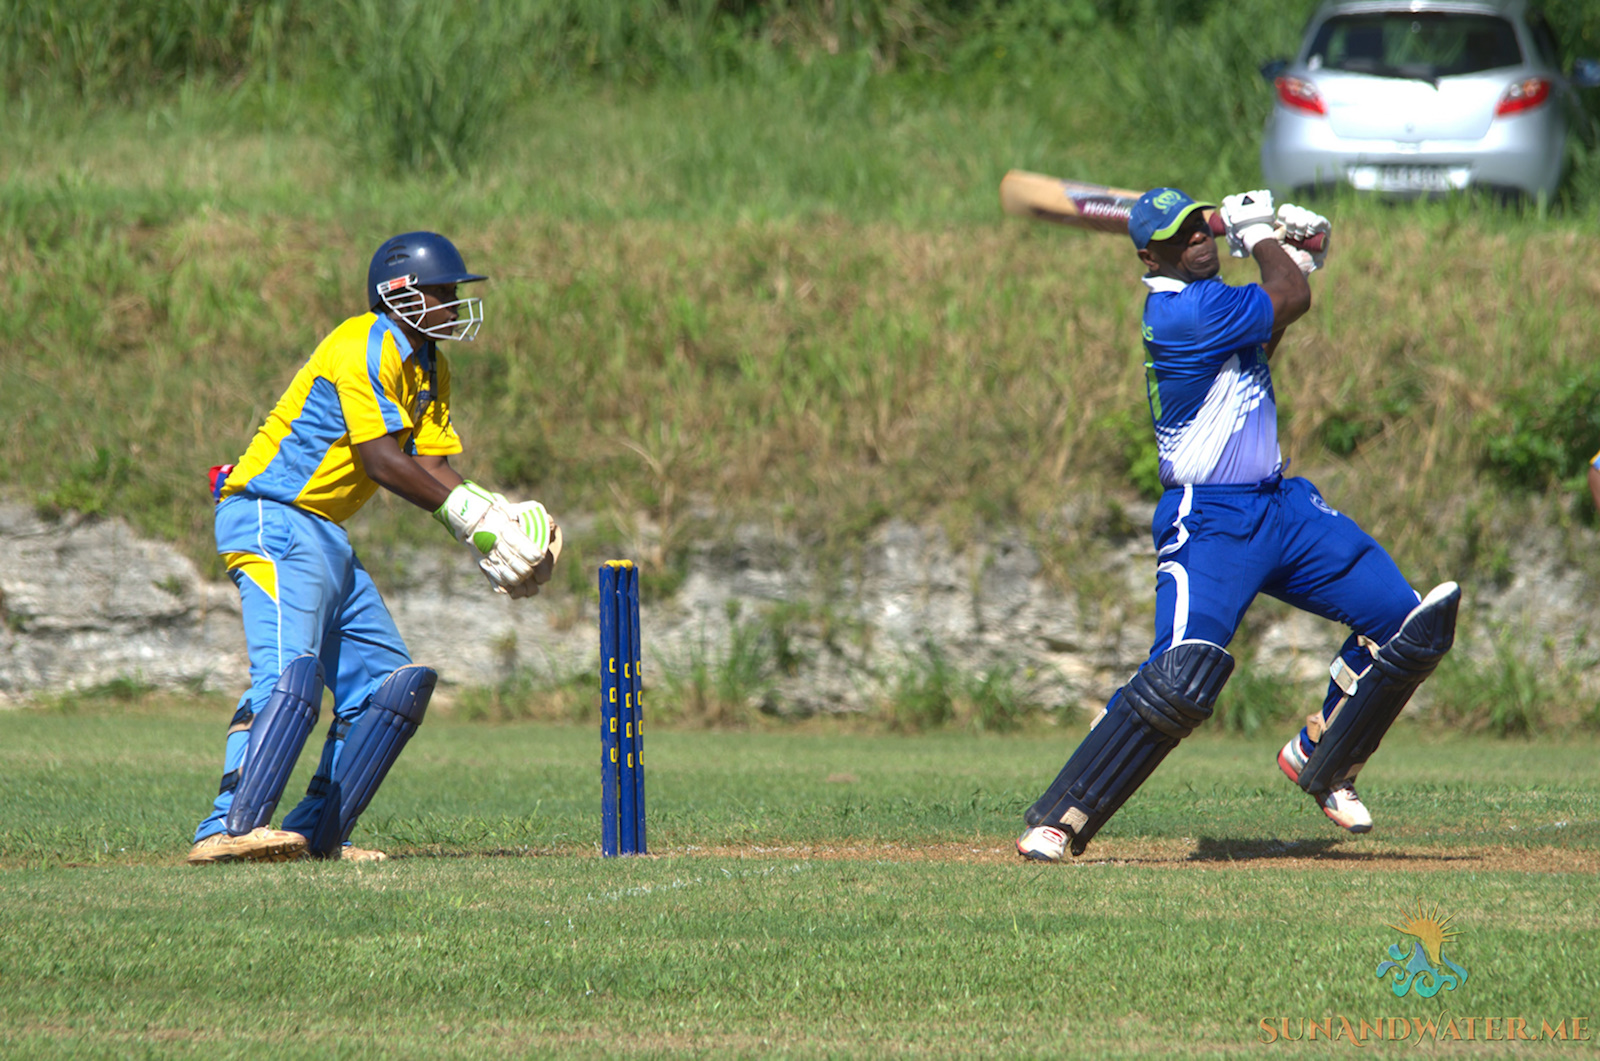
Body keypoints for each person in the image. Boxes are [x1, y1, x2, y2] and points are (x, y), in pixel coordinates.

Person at [1015, 189, 1459, 861]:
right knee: (1182, 676)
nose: (1198, 237)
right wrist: (1264, 238)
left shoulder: (1217, 304)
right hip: (1212, 519)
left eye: (1201, 224)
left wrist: (1293, 261)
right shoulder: (1183, 310)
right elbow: (1289, 299)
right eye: (1180, 233)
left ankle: (1324, 755)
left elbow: (1268, 330)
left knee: (1405, 624)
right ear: (1149, 255)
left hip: (1281, 507)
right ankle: (1062, 815)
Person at [187, 231, 561, 865]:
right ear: (400, 293)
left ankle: (316, 834)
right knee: (288, 674)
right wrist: (472, 518)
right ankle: (226, 828)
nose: (453, 304)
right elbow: (382, 459)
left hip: (327, 531)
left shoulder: (431, 366)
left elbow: (432, 461)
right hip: (271, 515)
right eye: (443, 292)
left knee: (391, 687)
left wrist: (492, 519)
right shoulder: (363, 341)